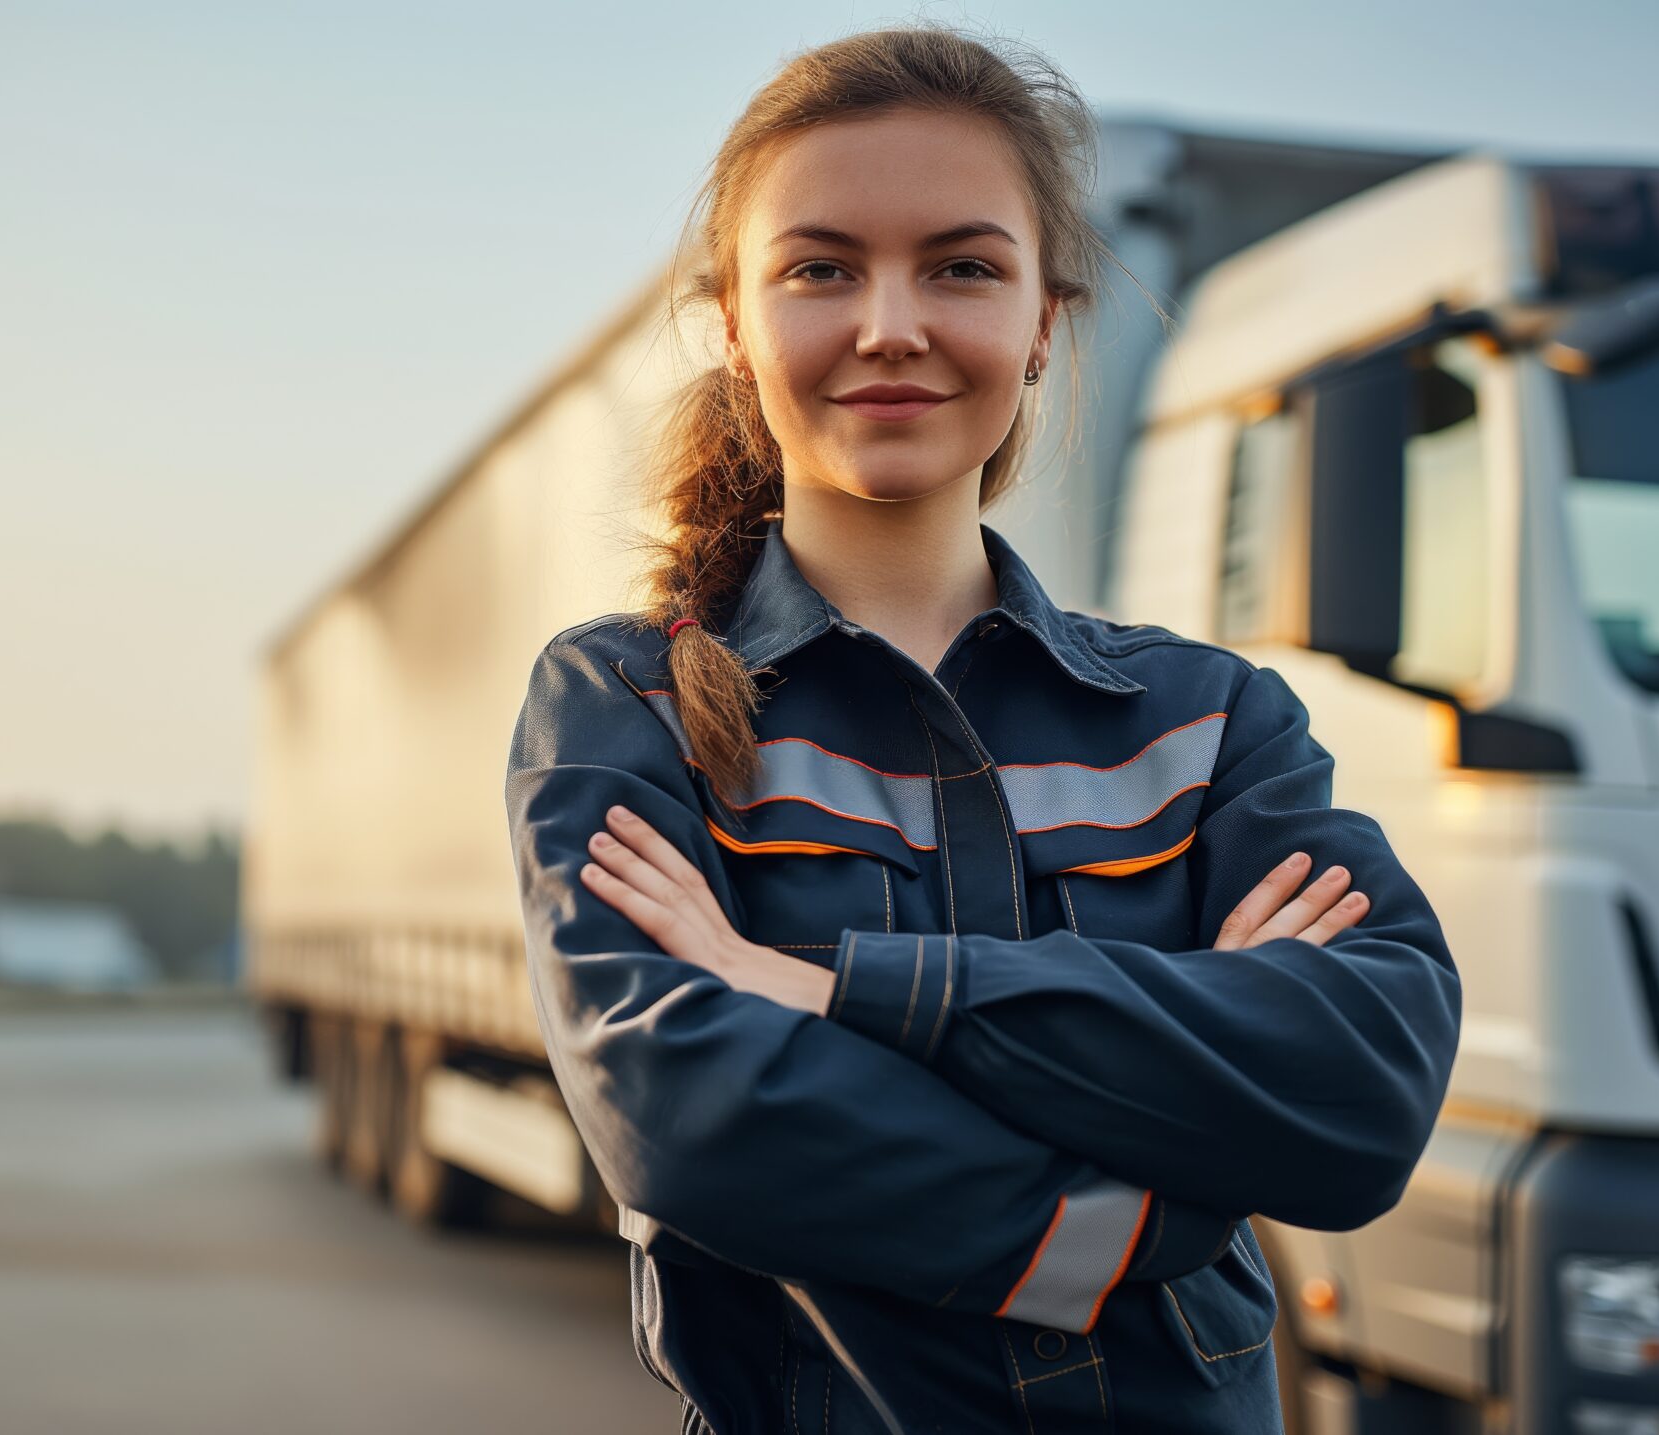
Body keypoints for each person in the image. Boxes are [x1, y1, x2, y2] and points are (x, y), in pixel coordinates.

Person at [501, 24, 1461, 1434]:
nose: (894, 323)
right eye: (822, 268)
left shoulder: (1210, 718)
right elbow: (697, 1125)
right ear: (731, 323)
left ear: (1043, 324)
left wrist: (839, 994)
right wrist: (1159, 1192)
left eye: (962, 266)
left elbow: (1361, 1089)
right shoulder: (622, 702)